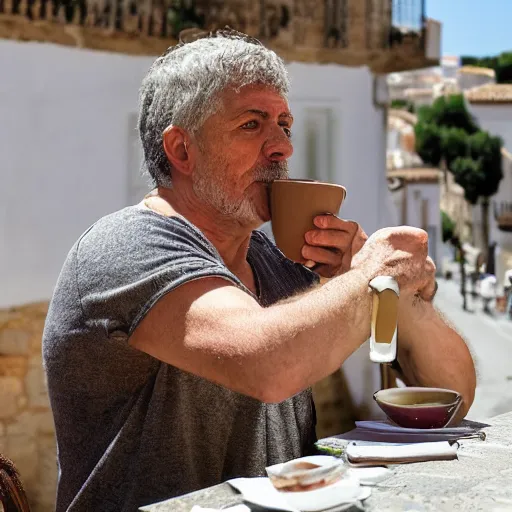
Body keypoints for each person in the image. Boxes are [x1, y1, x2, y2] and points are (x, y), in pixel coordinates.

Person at [42, 29, 476, 512]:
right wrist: (364, 279)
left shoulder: (277, 261)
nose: (282, 149)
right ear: (181, 150)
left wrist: (390, 286)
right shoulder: (126, 247)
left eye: (285, 126)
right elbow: (268, 363)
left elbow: (452, 394)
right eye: (252, 125)